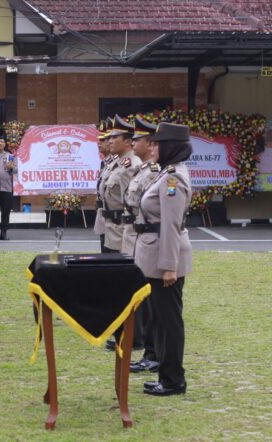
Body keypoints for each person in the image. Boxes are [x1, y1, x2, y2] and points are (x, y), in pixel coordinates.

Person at [134, 122, 193, 396]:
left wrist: (169, 267)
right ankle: (166, 374)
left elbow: (170, 224)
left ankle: (173, 380)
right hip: (155, 254)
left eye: (158, 144)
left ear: (171, 147)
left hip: (164, 259)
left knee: (169, 321)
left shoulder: (173, 179)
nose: (153, 148)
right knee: (160, 318)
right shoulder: (166, 174)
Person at [122, 116, 161, 373]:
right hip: (137, 236)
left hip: (148, 238)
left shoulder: (156, 173)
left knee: (152, 302)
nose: (133, 142)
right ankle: (149, 349)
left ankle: (153, 352)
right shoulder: (142, 170)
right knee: (144, 298)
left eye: (138, 139)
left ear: (151, 143)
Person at [102, 115, 141, 253]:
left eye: (114, 138)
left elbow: (131, 204)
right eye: (109, 138)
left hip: (122, 230)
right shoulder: (118, 162)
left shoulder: (132, 165)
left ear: (128, 141)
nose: (109, 141)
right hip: (112, 228)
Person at [93, 118, 114, 252]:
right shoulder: (105, 163)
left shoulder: (118, 164)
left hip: (114, 217)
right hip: (103, 214)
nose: (98, 143)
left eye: (103, 140)